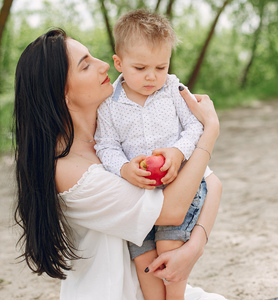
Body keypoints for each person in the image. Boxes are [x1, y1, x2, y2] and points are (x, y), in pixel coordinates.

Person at [13, 28, 225, 300]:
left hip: (149, 287)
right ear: (63, 92)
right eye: (86, 64)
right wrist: (210, 130)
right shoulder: (67, 171)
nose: (104, 65)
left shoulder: (120, 141)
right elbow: (171, 210)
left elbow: (212, 183)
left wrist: (194, 246)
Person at [94, 10, 219, 300]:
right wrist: (125, 168)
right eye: (140, 68)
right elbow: (106, 146)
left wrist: (177, 152)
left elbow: (194, 127)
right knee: (144, 260)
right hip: (139, 197)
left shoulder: (174, 90)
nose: (152, 76)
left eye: (161, 67)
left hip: (179, 188)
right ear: (119, 62)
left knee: (168, 249)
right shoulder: (109, 105)